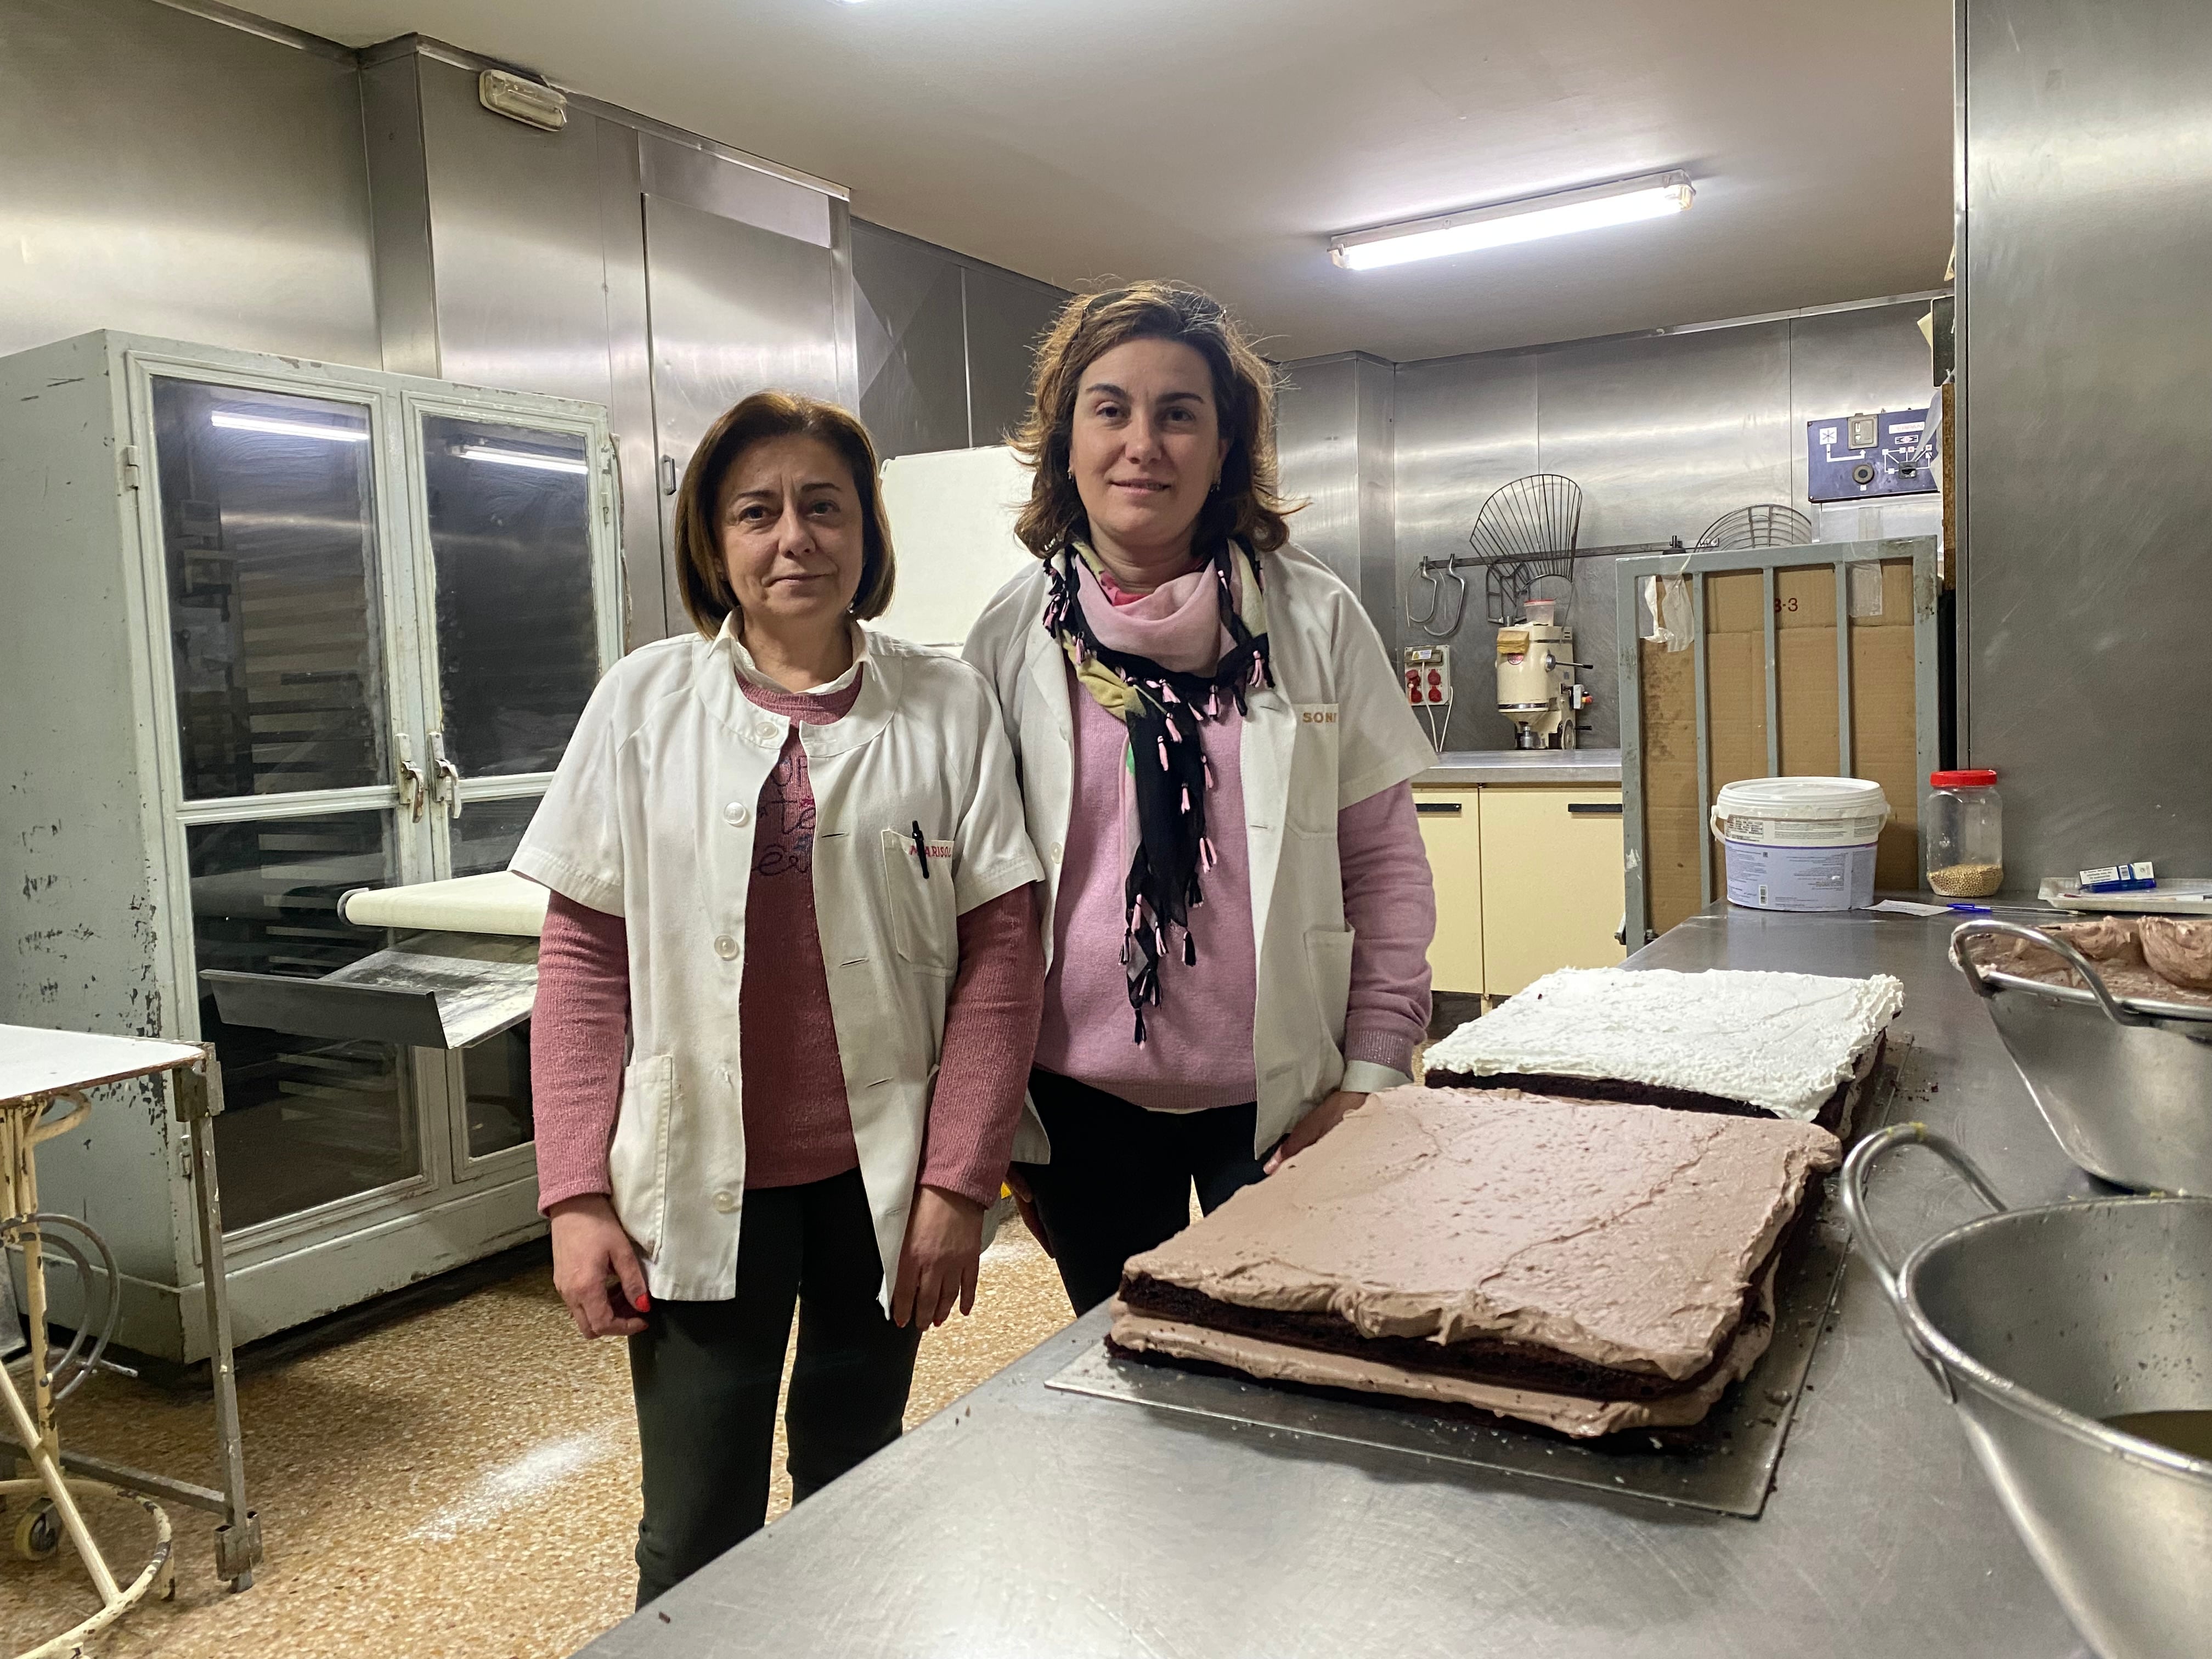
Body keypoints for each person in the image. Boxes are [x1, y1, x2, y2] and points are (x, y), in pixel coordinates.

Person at [516, 391, 1044, 1604]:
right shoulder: (643, 703)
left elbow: (1003, 956)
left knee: (858, 1493)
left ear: (867, 533)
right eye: (756, 511)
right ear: (715, 544)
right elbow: (583, 961)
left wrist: (962, 1183)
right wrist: (576, 1196)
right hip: (702, 1184)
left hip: (885, 1181)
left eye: (824, 507)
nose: (793, 536)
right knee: (696, 1525)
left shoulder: (948, 705)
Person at [964, 282, 1438, 1316]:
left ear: (1224, 448)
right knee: (1126, 1353)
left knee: (1286, 1360)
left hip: (1281, 1103)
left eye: (1180, 412)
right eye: (1111, 409)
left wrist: (1372, 1077)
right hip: (1079, 1107)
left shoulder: (1315, 619)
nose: (1145, 442)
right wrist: (995, 1121)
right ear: (1066, 441)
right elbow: (984, 902)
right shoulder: (1008, 639)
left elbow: (1386, 869)